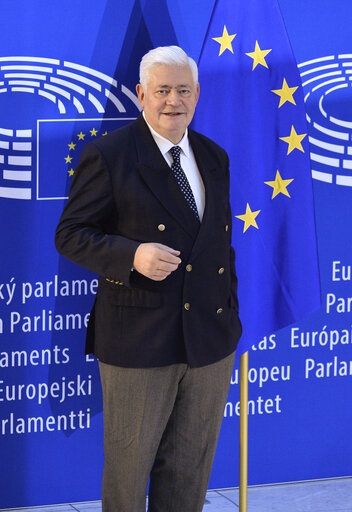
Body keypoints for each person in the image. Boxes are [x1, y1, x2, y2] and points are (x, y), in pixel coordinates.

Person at [55, 45, 241, 512]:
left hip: (209, 343)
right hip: (139, 340)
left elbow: (220, 246)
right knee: (128, 469)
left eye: (182, 90)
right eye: (162, 90)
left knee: (189, 469)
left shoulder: (214, 157)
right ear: (141, 94)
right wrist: (131, 254)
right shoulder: (110, 155)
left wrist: (230, 324)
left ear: (197, 95)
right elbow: (71, 235)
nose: (172, 101)